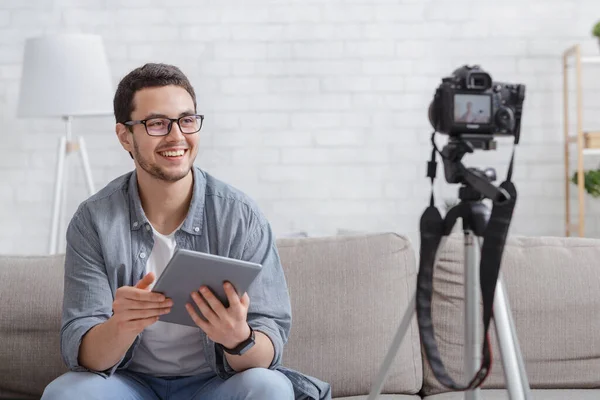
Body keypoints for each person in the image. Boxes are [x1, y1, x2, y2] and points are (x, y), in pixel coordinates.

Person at [41, 63, 331, 400]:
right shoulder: (93, 220)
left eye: (187, 120)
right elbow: (83, 353)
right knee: (65, 394)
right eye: (157, 124)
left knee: (269, 387)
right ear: (125, 136)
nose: (177, 136)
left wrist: (238, 337)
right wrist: (120, 326)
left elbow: (269, 347)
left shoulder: (240, 216)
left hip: (217, 383)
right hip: (129, 384)